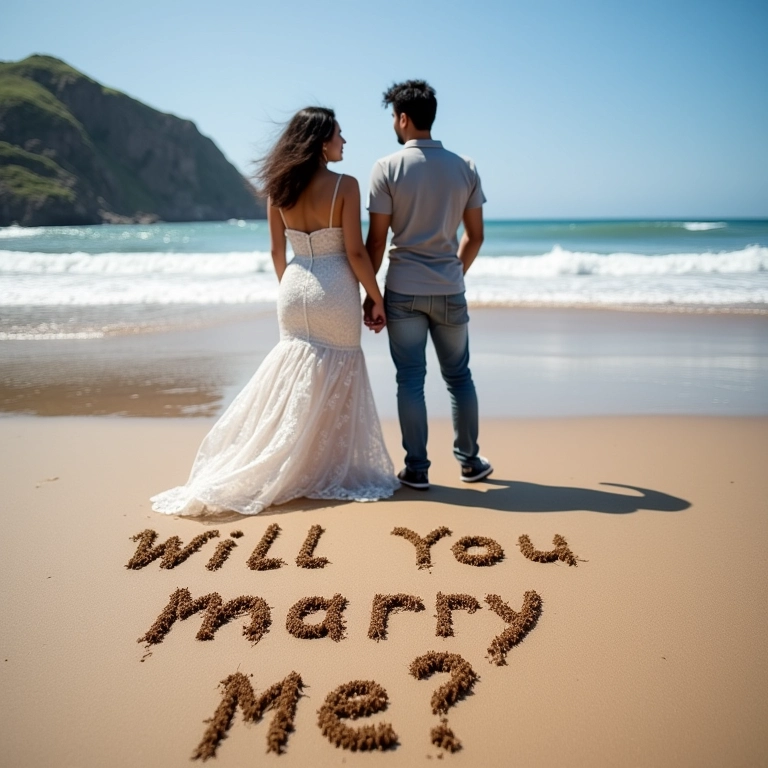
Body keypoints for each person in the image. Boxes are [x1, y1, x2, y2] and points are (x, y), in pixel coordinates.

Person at [151, 107, 399, 516]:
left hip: (294, 284)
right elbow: (355, 252)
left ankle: (282, 458)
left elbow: (275, 251)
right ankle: (317, 467)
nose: (344, 141)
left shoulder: (278, 187)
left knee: (293, 373)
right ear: (321, 141)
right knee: (336, 373)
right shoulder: (345, 185)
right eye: (338, 134)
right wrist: (377, 298)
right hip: (334, 288)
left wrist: (293, 290)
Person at [364, 80, 492, 491]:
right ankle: (469, 463)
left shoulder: (386, 168)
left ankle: (417, 469)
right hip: (449, 289)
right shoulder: (465, 166)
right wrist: (453, 273)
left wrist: (371, 295)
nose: (393, 124)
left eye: (393, 117)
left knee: (410, 379)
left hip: (403, 290)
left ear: (403, 118)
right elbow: (475, 236)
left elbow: (376, 242)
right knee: (459, 377)